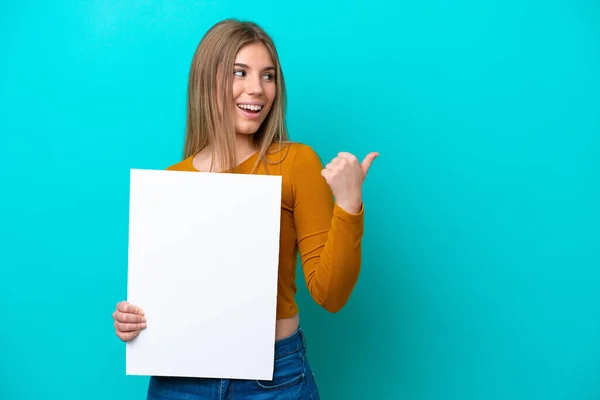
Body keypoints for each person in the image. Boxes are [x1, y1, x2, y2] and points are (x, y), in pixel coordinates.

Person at [112, 18, 377, 399]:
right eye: (240, 72)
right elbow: (173, 295)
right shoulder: (173, 180)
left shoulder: (296, 163)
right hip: (178, 380)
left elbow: (331, 294)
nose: (257, 89)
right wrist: (132, 321)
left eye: (268, 76)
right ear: (207, 81)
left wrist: (349, 204)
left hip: (275, 377)